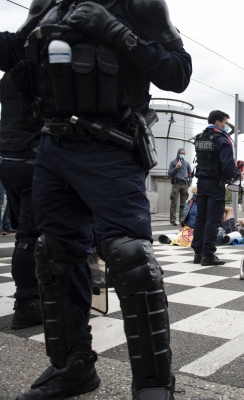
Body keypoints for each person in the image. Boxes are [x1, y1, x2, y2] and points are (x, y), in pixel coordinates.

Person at [0, 1, 192, 398]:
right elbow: (16, 51)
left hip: (112, 147)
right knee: (54, 255)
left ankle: (154, 386)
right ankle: (72, 369)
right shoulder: (47, 4)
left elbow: (178, 72)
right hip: (52, 148)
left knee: (131, 258)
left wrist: (116, 32)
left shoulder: (139, 5)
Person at [0, 71, 42, 330]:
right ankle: (28, 303)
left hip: (9, 157)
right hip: (32, 156)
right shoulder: (41, 68)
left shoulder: (9, 75)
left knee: (26, 233)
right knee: (30, 235)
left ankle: (33, 295)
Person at [192, 110, 243, 266]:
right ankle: (208, 254)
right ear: (217, 123)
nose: (226, 126)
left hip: (201, 182)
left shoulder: (199, 138)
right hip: (216, 184)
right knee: (213, 220)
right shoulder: (222, 140)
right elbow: (227, 165)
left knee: (201, 218)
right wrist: (237, 175)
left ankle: (198, 253)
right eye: (225, 123)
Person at [168, 147, 192, 226]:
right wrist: (176, 167)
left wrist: (189, 183)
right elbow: (169, 173)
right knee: (173, 203)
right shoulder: (173, 162)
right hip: (176, 184)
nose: (182, 155)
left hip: (185, 184)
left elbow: (190, 174)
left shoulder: (187, 163)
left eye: (183, 154)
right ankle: (172, 220)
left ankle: (182, 220)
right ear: (178, 153)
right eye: (181, 153)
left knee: (183, 204)